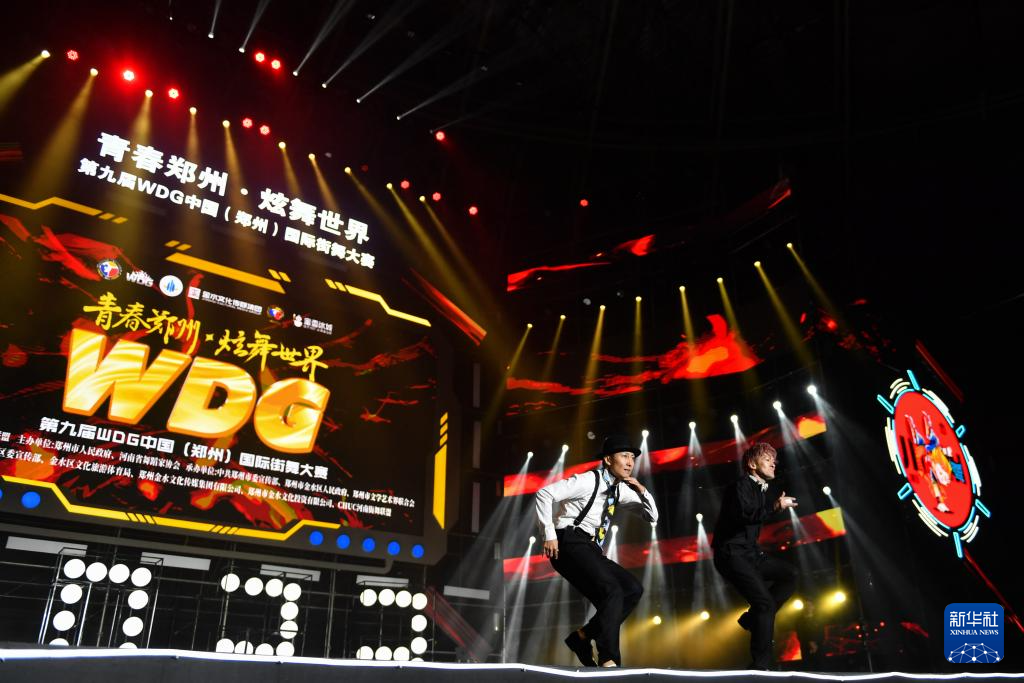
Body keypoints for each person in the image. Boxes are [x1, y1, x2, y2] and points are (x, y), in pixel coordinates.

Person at [535, 434, 659, 667]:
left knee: (632, 590)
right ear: (608, 459)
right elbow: (544, 494)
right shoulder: (587, 480)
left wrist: (642, 491)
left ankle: (581, 637)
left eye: (632, 457)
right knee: (613, 590)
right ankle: (608, 658)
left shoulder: (620, 490)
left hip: (590, 548)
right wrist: (549, 535)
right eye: (624, 456)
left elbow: (651, 516)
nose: (630, 462)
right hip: (568, 541)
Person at [711, 442, 798, 670]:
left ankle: (752, 619)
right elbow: (746, 515)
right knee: (765, 604)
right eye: (767, 459)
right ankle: (760, 667)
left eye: (773, 460)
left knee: (790, 574)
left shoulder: (760, 489)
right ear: (752, 464)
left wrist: (772, 505)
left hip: (750, 554)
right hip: (731, 554)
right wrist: (776, 506)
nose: (773, 463)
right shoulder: (740, 486)